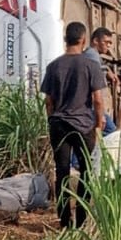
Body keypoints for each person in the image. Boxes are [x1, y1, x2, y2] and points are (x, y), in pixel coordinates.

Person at [41, 21, 106, 228]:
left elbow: (48, 101)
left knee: (62, 173)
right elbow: (97, 99)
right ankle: (80, 219)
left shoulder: (54, 66)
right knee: (86, 172)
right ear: (84, 40)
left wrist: (52, 119)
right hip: (83, 126)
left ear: (65, 39)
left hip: (59, 124)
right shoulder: (91, 66)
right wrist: (98, 123)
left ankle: (64, 220)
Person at [84, 27, 119, 134]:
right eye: (106, 42)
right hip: (92, 107)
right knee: (112, 133)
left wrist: (107, 70)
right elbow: (94, 87)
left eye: (110, 43)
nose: (108, 45)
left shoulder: (93, 55)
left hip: (91, 107)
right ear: (95, 41)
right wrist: (101, 115)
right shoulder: (92, 56)